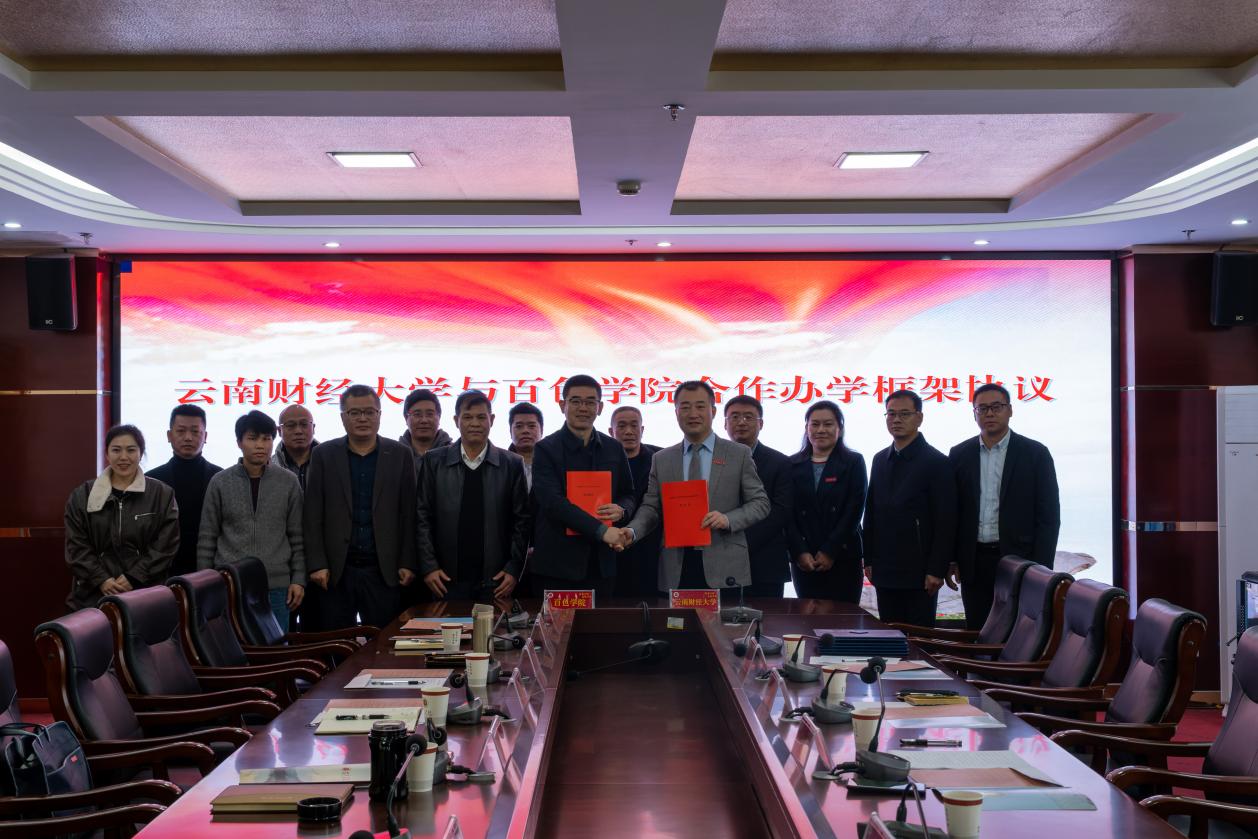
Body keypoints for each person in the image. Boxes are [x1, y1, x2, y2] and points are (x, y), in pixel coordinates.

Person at [623, 381, 770, 594]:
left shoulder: (738, 454)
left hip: (724, 565)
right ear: (676, 413)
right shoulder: (662, 458)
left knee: (726, 618)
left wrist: (728, 519)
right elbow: (651, 507)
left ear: (713, 411)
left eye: (700, 406)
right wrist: (632, 530)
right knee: (675, 617)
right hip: (676, 566)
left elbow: (760, 503)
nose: (693, 414)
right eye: (685, 407)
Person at [304, 384, 418, 629]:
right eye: (354, 413)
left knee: (383, 640)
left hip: (383, 570)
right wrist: (317, 564)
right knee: (338, 642)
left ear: (379, 415)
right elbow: (313, 514)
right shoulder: (323, 454)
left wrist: (407, 561)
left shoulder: (400, 454)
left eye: (369, 412)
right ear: (343, 417)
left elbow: (408, 514)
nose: (363, 418)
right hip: (337, 571)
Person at [949, 383, 1061, 630]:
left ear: (1010, 410)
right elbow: (952, 513)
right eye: (982, 408)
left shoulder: (1035, 454)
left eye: (996, 407)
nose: (989, 413)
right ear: (974, 414)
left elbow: (1049, 517)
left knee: (1019, 633)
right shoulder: (959, 454)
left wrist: (1042, 569)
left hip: (1020, 560)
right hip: (974, 562)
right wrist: (952, 559)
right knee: (978, 629)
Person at [417, 391, 531, 602]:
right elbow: (422, 516)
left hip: (496, 579)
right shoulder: (434, 461)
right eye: (468, 417)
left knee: (494, 625)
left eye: (481, 417)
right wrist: (429, 566)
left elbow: (521, 521)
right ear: (456, 420)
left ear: (491, 420)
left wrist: (514, 568)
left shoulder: (512, 463)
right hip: (445, 578)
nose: (475, 423)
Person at [530, 374, 636, 600]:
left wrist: (622, 510)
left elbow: (629, 493)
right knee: (557, 624)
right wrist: (602, 531)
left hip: (602, 563)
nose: (583, 408)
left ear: (600, 407)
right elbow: (553, 503)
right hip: (558, 565)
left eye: (590, 402)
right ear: (563, 405)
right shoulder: (546, 449)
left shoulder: (614, 448)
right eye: (576, 401)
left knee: (601, 622)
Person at [198, 410, 305, 630]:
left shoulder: (288, 482)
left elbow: (297, 536)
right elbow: (207, 538)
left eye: (266, 439)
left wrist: (298, 579)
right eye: (253, 438)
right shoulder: (220, 482)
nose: (260, 445)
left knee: (276, 647)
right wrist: (205, 584)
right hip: (229, 585)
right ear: (239, 442)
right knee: (231, 647)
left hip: (276, 586)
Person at [863, 390, 957, 627]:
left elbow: (946, 521)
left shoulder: (936, 462)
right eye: (891, 414)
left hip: (920, 573)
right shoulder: (879, 459)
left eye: (904, 414)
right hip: (885, 569)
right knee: (890, 636)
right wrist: (869, 560)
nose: (896, 419)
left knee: (919, 640)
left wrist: (936, 569)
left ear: (919, 418)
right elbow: (871, 513)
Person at [64, 424, 179, 611]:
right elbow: (76, 546)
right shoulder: (82, 495)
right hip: (93, 596)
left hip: (145, 593)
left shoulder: (161, 494)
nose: (123, 457)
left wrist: (134, 577)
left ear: (140, 454)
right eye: (116, 450)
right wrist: (101, 579)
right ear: (107, 454)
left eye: (131, 450)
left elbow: (166, 546)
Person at [785, 401, 867, 602]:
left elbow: (854, 510)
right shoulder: (791, 464)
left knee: (845, 617)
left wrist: (830, 550)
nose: (821, 430)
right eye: (815, 424)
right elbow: (787, 513)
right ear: (807, 428)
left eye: (828, 424)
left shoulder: (853, 462)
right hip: (805, 560)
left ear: (840, 428)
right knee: (808, 616)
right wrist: (799, 551)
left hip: (843, 555)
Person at [724, 395, 793, 598]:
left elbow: (781, 511)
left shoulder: (780, 462)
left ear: (761, 424)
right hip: (723, 562)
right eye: (734, 417)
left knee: (769, 617)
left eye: (748, 417)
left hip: (766, 561)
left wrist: (743, 541)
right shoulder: (713, 460)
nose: (741, 422)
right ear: (725, 424)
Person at [146, 405, 222, 576]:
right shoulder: (151, 479)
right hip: (162, 569)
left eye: (195, 432)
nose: (188, 437)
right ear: (169, 435)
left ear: (205, 436)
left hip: (210, 567)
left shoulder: (220, 478)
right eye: (181, 431)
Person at [610, 405, 662, 597]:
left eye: (634, 425)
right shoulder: (600, 460)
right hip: (611, 545)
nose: (629, 431)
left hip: (651, 546)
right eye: (622, 426)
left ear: (642, 429)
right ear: (611, 431)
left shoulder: (660, 458)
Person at [400, 389, 452, 473]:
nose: (424, 420)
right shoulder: (395, 454)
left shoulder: (453, 454)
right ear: (406, 418)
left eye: (430, 414)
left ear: (439, 417)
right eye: (417, 414)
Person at [273, 403, 318, 490]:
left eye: (304, 424)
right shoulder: (269, 467)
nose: (298, 431)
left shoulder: (330, 462)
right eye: (290, 425)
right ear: (279, 431)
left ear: (313, 428)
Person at [507, 402, 543, 490]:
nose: (525, 431)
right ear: (510, 432)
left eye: (531, 426)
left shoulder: (555, 465)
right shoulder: (501, 466)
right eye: (519, 426)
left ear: (541, 430)